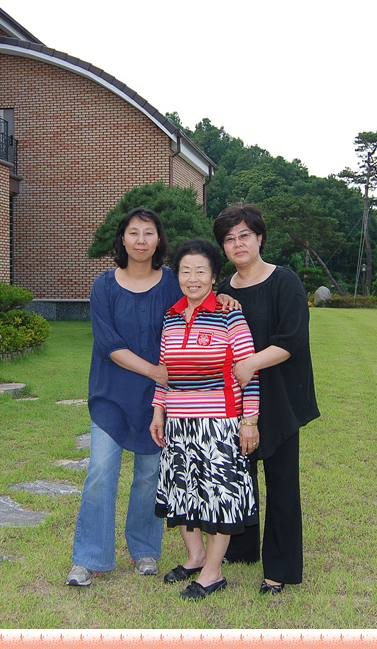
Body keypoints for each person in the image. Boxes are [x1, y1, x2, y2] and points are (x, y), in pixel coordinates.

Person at [66, 207, 182, 587]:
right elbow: (110, 344)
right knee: (101, 472)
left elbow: (201, 302)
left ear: (159, 239)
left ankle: (145, 548)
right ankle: (89, 557)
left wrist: (226, 298)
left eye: (149, 232)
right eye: (134, 232)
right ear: (122, 239)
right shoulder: (104, 286)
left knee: (149, 475)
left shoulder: (173, 283)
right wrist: (153, 370)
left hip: (157, 400)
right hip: (111, 394)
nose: (141, 240)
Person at [212, 203, 321, 595]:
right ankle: (241, 548)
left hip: (280, 395)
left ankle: (280, 567)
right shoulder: (224, 290)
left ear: (259, 238)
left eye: (244, 235)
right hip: (237, 400)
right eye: (229, 239)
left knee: (281, 481)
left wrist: (250, 364)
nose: (237, 244)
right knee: (239, 476)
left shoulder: (284, 281)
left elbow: (292, 340)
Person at [149, 238, 260, 601]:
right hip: (178, 424)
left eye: (201, 271)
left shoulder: (230, 315)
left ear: (214, 277)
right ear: (177, 276)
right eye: (185, 271)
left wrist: (249, 421)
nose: (192, 278)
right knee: (182, 492)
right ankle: (196, 557)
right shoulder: (170, 317)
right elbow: (164, 372)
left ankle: (213, 573)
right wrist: (158, 410)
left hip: (219, 425)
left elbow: (249, 373)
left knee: (218, 496)